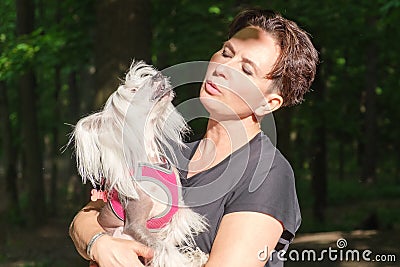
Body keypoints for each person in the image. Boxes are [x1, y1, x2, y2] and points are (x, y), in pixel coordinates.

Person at [69, 8, 318, 267]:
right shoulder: (167, 154)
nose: (224, 68)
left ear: (267, 104)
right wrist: (99, 243)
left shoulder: (267, 175)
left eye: (246, 70)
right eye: (226, 52)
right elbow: (87, 216)